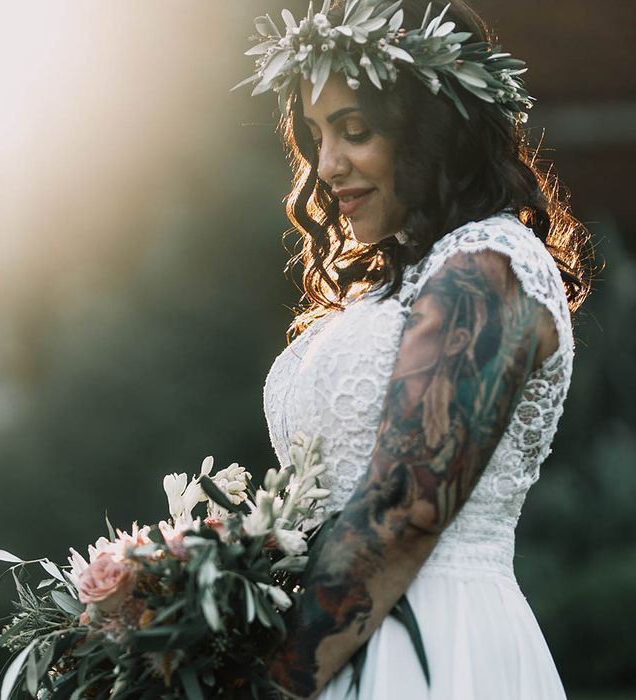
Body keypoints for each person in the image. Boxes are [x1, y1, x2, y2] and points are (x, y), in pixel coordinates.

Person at [237, 0, 594, 698]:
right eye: (317, 135)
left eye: (356, 131)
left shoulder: (489, 269)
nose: (329, 164)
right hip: (341, 642)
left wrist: (265, 685)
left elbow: (405, 512)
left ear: (433, 130)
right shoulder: (398, 285)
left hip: (437, 642)